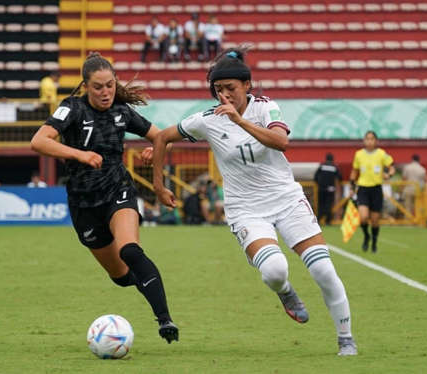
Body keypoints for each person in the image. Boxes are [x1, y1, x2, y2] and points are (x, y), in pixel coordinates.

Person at [152, 47, 357, 356]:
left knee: (323, 271)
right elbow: (162, 137)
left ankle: (346, 339)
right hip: (246, 210)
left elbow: (281, 141)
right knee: (275, 271)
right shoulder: (207, 120)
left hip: (286, 200)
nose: (225, 96)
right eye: (219, 90)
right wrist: (157, 185)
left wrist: (239, 121)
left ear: (247, 86)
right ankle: (285, 292)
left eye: (231, 89)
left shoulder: (266, 107)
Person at [30, 52, 178, 343]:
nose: (106, 92)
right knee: (122, 276)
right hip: (83, 204)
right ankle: (147, 283)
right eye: (98, 87)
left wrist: (155, 149)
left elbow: (162, 137)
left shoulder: (122, 111)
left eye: (110, 85)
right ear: (86, 86)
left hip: (117, 190)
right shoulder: (71, 109)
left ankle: (165, 320)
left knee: (130, 251)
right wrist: (80, 154)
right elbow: (38, 141)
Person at [350, 131, 395, 253]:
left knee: (375, 220)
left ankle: (374, 242)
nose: (369, 141)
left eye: (372, 139)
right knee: (363, 217)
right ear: (364, 141)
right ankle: (366, 236)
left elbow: (392, 167)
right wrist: (351, 187)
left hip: (376, 189)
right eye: (367, 139)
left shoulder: (381, 154)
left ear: (376, 141)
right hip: (363, 189)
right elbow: (354, 171)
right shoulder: (358, 154)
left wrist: (388, 174)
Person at [314, 153, 341, 225]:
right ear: (332, 159)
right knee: (329, 205)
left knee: (321, 204)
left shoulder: (322, 166)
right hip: (330, 189)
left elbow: (315, 177)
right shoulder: (334, 167)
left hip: (321, 188)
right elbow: (340, 177)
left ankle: (319, 220)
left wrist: (319, 184)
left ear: (326, 158)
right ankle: (328, 221)